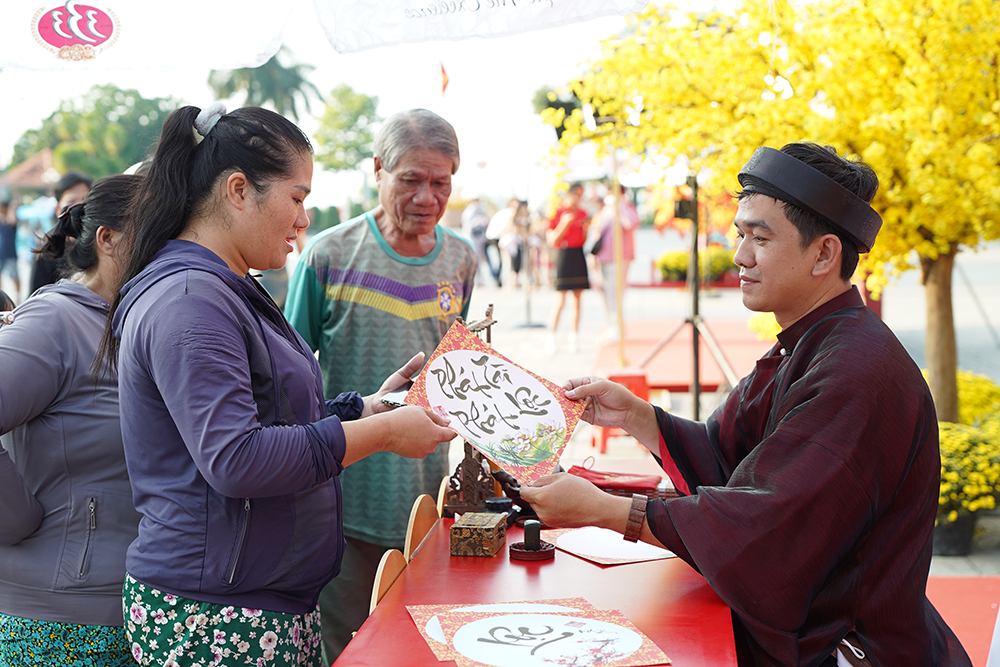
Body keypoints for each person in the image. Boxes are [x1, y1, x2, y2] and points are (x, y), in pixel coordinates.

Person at [521, 143, 971, 666]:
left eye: (760, 238)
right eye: (740, 234)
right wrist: (637, 417)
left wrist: (606, 512)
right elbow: (729, 459)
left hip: (849, 646)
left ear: (824, 254)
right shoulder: (813, 340)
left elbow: (766, 529)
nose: (740, 255)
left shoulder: (857, 371)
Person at [100, 104, 456, 667]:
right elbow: (238, 459)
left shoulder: (226, 285)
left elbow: (275, 412)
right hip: (217, 616)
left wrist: (367, 407)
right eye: (296, 197)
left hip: (254, 603)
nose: (303, 219)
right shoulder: (192, 300)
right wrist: (385, 432)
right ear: (239, 190)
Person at [285, 108, 477, 664]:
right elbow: (287, 380)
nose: (426, 197)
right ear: (378, 170)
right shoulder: (329, 255)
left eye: (440, 183)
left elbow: (464, 371)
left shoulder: (461, 259)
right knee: (348, 645)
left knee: (419, 644)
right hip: (341, 498)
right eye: (411, 180)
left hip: (426, 497)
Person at [0, 174, 144, 666]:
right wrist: (15, 518)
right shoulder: (55, 322)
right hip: (54, 622)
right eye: (157, 237)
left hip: (125, 612)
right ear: (107, 240)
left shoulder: (134, 324)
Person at [544, 182, 590, 354]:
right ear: (569, 195)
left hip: (578, 254)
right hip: (563, 254)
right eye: (577, 195)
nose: (579, 199)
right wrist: (564, 223)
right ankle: (551, 337)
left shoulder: (583, 213)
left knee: (577, 299)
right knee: (560, 298)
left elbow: (583, 239)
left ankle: (574, 337)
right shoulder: (556, 213)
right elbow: (552, 240)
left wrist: (585, 228)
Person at [30, 172, 92, 294]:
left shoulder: (103, 245)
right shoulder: (49, 252)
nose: (79, 207)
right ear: (58, 209)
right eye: (72, 202)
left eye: (85, 200)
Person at [591, 184, 639, 342]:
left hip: (619, 258)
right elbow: (597, 232)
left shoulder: (626, 208)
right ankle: (610, 325)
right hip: (603, 258)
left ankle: (617, 329)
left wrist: (621, 206)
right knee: (605, 293)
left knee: (615, 294)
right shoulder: (605, 210)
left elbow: (630, 224)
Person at [0, 200, 21, 303]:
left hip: (11, 253)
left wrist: (12, 208)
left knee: (15, 275)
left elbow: (12, 220)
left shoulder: (11, 220)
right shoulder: (2, 220)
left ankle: (17, 295)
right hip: (1, 253)